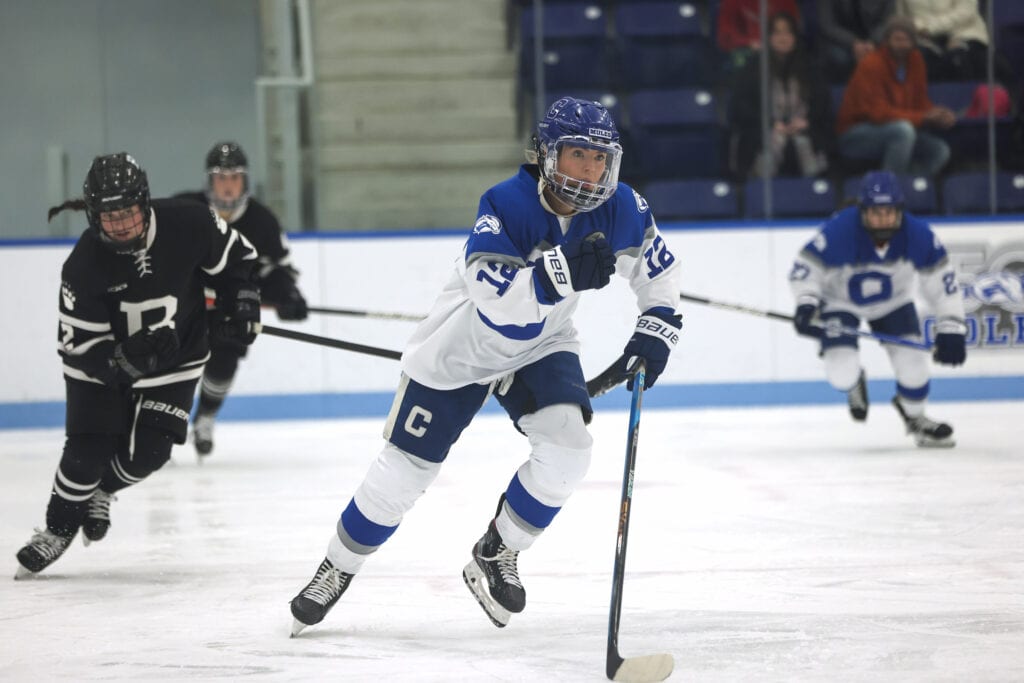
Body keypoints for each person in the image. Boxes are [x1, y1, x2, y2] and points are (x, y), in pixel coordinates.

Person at [287, 97, 683, 635]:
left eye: (598, 158)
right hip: (458, 352)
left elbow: (658, 270)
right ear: (547, 154)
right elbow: (495, 297)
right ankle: (336, 567)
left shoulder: (623, 209)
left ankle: (498, 551)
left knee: (569, 453)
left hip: (540, 348)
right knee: (403, 474)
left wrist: (656, 327)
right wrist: (559, 273)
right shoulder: (506, 204)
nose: (590, 172)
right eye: (576, 156)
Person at [15, 153, 260, 578]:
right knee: (85, 454)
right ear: (93, 216)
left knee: (148, 453)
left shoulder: (189, 222)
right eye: (110, 217)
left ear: (144, 202)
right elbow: (80, 348)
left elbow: (238, 261)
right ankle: (57, 529)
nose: (122, 225)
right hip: (103, 365)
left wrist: (240, 300)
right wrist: (125, 360)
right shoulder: (83, 265)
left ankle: (103, 492)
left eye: (128, 213)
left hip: (179, 356)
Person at [788, 170, 966, 448]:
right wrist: (807, 302)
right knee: (841, 373)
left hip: (894, 304)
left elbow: (944, 287)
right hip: (839, 302)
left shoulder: (918, 235)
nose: (883, 219)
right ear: (862, 211)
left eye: (889, 212)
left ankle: (916, 418)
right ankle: (855, 382)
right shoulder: (840, 230)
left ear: (900, 211)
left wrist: (952, 326)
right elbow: (805, 270)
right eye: (875, 212)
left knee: (914, 367)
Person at [176, 142, 308, 458]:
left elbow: (276, 270)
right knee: (171, 360)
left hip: (230, 313)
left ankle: (205, 417)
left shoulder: (262, 221)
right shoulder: (186, 212)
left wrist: (289, 296)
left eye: (234, 178)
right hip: (184, 309)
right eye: (221, 178)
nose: (228, 185)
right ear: (210, 181)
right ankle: (165, 421)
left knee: (225, 358)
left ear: (244, 181)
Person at [835, 16, 956, 177]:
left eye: (906, 40)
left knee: (940, 150)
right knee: (903, 131)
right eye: (897, 39)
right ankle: (888, 195)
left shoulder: (916, 60)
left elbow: (920, 102)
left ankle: (906, 188)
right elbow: (877, 114)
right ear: (886, 41)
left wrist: (937, 114)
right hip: (856, 133)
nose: (901, 45)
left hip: (897, 129)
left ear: (914, 42)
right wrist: (924, 117)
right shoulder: (871, 64)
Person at [730, 11, 834, 179]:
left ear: (795, 37)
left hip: (804, 129)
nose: (783, 37)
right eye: (777, 32)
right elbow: (740, 107)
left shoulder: (811, 68)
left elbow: (823, 105)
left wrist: (805, 122)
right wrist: (771, 124)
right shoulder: (754, 68)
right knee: (766, 142)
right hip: (763, 130)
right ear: (769, 37)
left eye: (788, 32)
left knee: (810, 141)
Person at [897, 0, 992, 82]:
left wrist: (930, 28)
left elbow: (967, 11)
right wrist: (921, 30)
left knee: (958, 59)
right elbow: (902, 18)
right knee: (918, 59)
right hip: (923, 37)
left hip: (964, 32)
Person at [816, 0, 896, 83]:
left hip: (875, 38)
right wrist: (853, 42)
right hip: (841, 40)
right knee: (840, 59)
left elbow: (887, 21)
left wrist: (873, 42)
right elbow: (827, 25)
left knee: (897, 51)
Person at [716, 0, 801, 72]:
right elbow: (725, 37)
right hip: (748, 56)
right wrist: (749, 43)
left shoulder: (786, 2)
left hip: (782, 56)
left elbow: (794, 31)